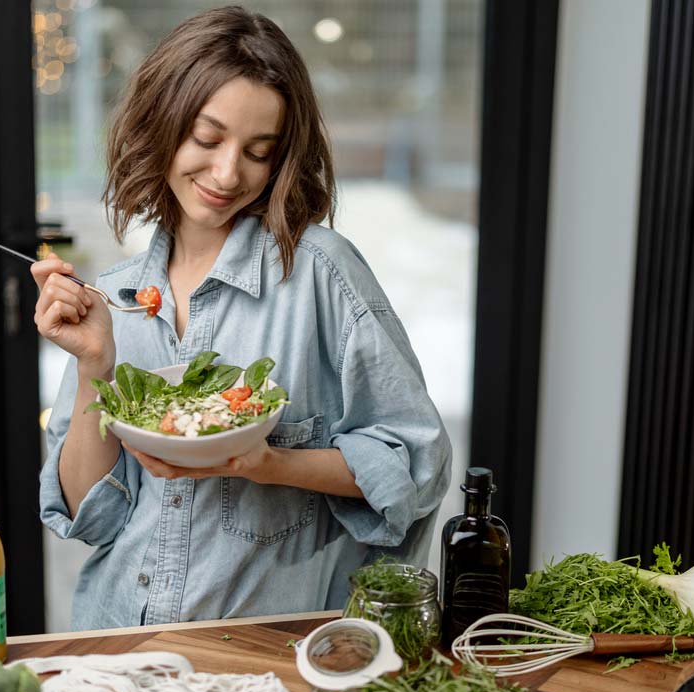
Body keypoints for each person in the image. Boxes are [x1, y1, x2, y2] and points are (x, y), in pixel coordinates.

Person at [34, 6, 451, 630]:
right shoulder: (116, 298)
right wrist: (96, 363)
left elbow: (417, 463)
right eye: (207, 139)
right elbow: (86, 515)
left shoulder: (320, 275)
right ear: (162, 125)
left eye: (259, 152)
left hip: (269, 650)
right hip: (121, 637)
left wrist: (270, 464)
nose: (228, 174)